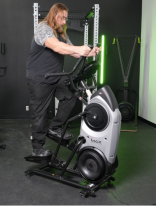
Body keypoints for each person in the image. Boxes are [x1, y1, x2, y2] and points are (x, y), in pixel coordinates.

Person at [26, 3, 101, 157]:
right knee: (40, 113)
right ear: (54, 15)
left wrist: (90, 51)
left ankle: (54, 127)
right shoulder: (43, 28)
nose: (64, 22)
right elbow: (56, 47)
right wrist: (79, 49)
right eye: (62, 18)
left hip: (55, 76)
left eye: (66, 18)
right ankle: (37, 148)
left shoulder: (61, 33)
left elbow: (73, 52)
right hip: (39, 77)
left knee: (70, 97)